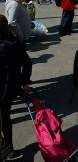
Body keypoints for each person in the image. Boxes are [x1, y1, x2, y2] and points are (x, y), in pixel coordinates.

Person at [0, 14, 32, 159]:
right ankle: (8, 150)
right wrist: (25, 82)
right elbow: (27, 63)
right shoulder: (12, 44)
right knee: (5, 117)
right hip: (7, 89)